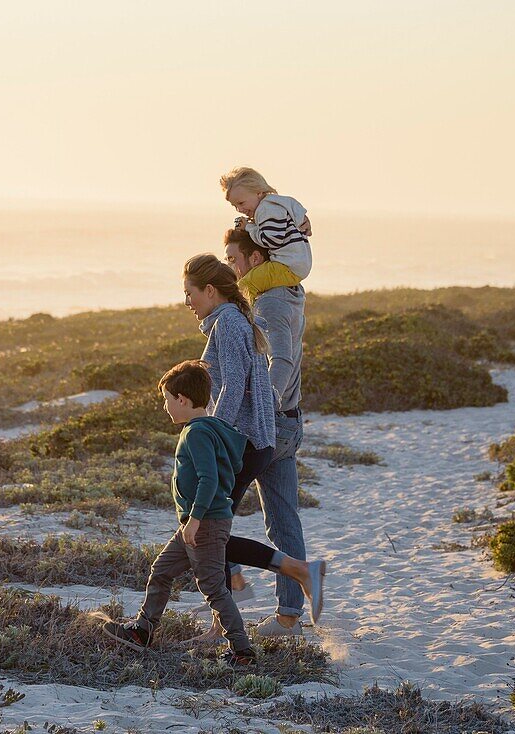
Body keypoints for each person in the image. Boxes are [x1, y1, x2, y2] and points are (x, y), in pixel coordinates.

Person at [182, 254, 325, 629]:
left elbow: (231, 386)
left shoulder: (227, 323)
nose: (187, 303)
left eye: (190, 293)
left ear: (210, 291)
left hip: (243, 441)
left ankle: (231, 602)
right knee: (274, 523)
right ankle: (276, 605)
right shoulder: (233, 319)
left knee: (207, 529)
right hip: (262, 435)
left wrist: (212, 435)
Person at [101, 360, 256, 665]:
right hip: (198, 522)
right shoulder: (209, 428)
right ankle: (142, 631)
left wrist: (195, 519)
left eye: (167, 400)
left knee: (213, 588)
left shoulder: (197, 433)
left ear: (182, 400)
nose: (165, 407)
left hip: (204, 523)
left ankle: (242, 651)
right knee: (161, 571)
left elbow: (209, 479)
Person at [223, 228, 311, 637]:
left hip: (272, 422)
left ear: (255, 260)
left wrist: (264, 403)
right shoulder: (288, 293)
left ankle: (233, 589)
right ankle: (289, 615)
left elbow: (282, 359)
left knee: (212, 506)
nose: (231, 267)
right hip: (289, 422)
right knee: (282, 521)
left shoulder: (272, 302)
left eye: (234, 259)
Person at [220, 167, 313, 302]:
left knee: (246, 284)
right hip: (296, 264)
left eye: (241, 203)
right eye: (235, 206)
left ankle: (245, 318)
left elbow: (272, 240)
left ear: (258, 192)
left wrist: (249, 227)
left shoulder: (266, 209)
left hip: (287, 266)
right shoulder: (278, 203)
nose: (239, 209)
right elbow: (299, 212)